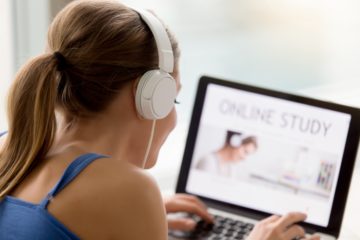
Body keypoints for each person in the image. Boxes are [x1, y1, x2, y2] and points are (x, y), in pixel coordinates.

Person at [0, 0, 319, 239]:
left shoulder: (11, 148)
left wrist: (134, 220)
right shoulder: (129, 190)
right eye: (174, 98)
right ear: (149, 97)